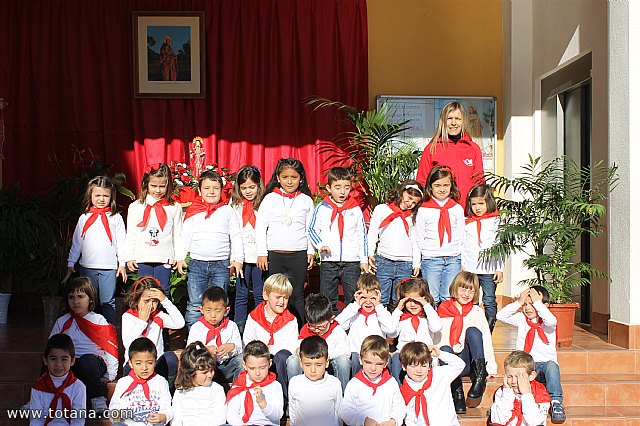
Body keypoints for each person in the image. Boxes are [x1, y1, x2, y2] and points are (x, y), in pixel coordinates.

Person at [176, 169, 244, 326]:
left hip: (221, 265)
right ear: (199, 190)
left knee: (218, 303)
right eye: (206, 188)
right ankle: (194, 341)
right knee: (195, 304)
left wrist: (238, 259)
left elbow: (235, 236)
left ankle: (217, 335)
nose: (211, 192)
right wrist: (180, 257)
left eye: (215, 188)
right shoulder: (194, 211)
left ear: (221, 190)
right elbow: (185, 236)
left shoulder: (227, 211)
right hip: (197, 264)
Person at [255, 158, 315, 324]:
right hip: (274, 255)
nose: (289, 181)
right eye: (285, 177)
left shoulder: (306, 200)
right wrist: (262, 253)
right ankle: (274, 328)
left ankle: (299, 331)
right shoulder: (270, 199)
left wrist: (311, 251)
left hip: (298, 254)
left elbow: (311, 228)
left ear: (301, 178)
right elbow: (260, 227)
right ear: (278, 177)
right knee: (276, 294)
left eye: (294, 177)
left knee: (296, 295)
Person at [496, 286, 566, 422]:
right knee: (515, 371)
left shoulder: (548, 323)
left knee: (552, 366)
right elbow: (500, 315)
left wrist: (538, 304)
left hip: (544, 368)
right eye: (525, 304)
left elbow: (552, 320)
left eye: (532, 304)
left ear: (542, 306)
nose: (527, 308)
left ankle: (556, 403)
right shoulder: (521, 319)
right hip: (527, 367)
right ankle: (506, 403)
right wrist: (518, 302)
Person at [64, 176, 126, 324]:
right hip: (87, 267)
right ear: (90, 196)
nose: (101, 199)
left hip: (108, 268)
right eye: (97, 195)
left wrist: (122, 263)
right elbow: (77, 243)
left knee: (107, 302)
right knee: (89, 302)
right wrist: (71, 263)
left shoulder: (115, 217)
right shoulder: (84, 218)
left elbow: (122, 242)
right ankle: (89, 332)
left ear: (111, 197)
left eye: (105, 195)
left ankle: (109, 332)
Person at [49, 277, 118, 414]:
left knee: (87, 361)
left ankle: (97, 398)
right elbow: (52, 345)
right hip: (69, 362)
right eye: (71, 297)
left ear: (90, 299)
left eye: (80, 297)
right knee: (51, 359)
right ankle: (40, 396)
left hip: (93, 363)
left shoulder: (99, 319)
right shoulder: (62, 321)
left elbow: (110, 348)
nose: (76, 301)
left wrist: (111, 373)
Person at [434, 271, 497, 414]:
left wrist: (491, 366)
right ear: (455, 288)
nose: (466, 294)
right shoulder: (443, 309)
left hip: (468, 361)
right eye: (463, 289)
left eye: (471, 290)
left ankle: (480, 377)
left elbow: (486, 339)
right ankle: (458, 394)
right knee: (444, 348)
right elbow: (437, 340)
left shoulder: (476, 311)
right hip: (450, 362)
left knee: (473, 331)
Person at [309, 166, 368, 313]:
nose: (342, 192)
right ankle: (330, 327)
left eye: (346, 187)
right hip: (329, 260)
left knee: (353, 297)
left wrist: (364, 259)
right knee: (328, 298)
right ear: (329, 188)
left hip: (351, 261)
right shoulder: (322, 208)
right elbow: (311, 229)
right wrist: (320, 245)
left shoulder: (355, 209)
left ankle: (351, 328)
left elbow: (362, 235)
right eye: (337, 187)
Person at [124, 163, 182, 293]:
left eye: (162, 186)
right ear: (146, 184)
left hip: (165, 256)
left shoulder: (174, 207)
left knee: (163, 290)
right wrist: (129, 256)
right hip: (143, 256)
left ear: (168, 185)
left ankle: (161, 314)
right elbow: (131, 233)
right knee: (144, 291)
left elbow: (177, 234)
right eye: (154, 186)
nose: (158, 190)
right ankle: (144, 314)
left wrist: (178, 257)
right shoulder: (136, 206)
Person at [415, 101, 484, 207]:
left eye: (457, 119)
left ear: (463, 122)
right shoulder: (431, 148)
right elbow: (422, 182)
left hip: (467, 213)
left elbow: (479, 183)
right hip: (440, 213)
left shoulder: (473, 149)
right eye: (449, 118)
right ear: (443, 121)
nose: (453, 123)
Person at [242, 273, 298, 402]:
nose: (282, 302)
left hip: (280, 360)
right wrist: (262, 351)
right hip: (259, 359)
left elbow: (291, 345)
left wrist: (270, 348)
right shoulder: (254, 317)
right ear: (265, 295)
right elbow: (248, 341)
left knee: (283, 356)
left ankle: (283, 401)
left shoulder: (290, 320)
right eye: (278, 297)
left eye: (285, 298)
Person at [367, 180, 424, 307]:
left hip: (405, 263)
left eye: (414, 202)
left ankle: (396, 325)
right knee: (382, 298)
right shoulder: (382, 209)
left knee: (399, 299)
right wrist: (370, 253)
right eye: (409, 198)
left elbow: (415, 241)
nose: (410, 204)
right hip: (385, 261)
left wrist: (416, 263)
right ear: (402, 191)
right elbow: (372, 233)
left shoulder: (413, 217)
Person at [416, 165, 465, 304]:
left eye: (446, 185)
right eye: (437, 185)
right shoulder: (424, 210)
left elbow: (462, 235)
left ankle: (446, 325)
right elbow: (419, 236)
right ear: (430, 187)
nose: (442, 189)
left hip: (453, 259)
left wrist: (461, 258)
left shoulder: (456, 208)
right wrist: (423, 256)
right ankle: (433, 325)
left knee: (448, 297)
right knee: (432, 297)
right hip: (431, 259)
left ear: (451, 186)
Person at [121, 276, 185, 380]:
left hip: (155, 363)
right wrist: (141, 321)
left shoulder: (158, 316)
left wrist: (165, 300)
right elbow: (129, 344)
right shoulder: (128, 317)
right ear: (136, 300)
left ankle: (167, 389)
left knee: (170, 358)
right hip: (135, 364)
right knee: (130, 368)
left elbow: (179, 323)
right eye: (146, 301)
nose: (151, 306)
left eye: (155, 301)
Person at [286, 293, 351, 391]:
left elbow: (345, 351)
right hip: (311, 363)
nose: (316, 330)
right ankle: (295, 395)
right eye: (312, 326)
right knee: (292, 361)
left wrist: (325, 356)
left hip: (329, 364)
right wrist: (298, 350)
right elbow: (297, 346)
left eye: (321, 327)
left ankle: (342, 396)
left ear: (331, 320)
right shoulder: (306, 330)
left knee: (343, 361)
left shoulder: (337, 330)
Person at [230, 165, 266, 333]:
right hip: (241, 258)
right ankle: (239, 329)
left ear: (259, 185)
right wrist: (235, 257)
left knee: (259, 294)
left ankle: (259, 327)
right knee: (241, 294)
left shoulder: (264, 205)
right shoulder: (235, 205)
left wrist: (263, 254)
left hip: (259, 257)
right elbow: (232, 232)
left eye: (252, 187)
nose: (248, 191)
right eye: (244, 188)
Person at [339, 335, 406, 426]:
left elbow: (399, 406)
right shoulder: (355, 384)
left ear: (386, 363)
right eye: (368, 362)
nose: (373, 368)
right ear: (360, 360)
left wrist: (393, 421)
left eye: (379, 364)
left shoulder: (391, 383)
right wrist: (363, 421)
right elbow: (345, 411)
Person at [336, 273, 395, 375]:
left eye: (372, 298)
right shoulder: (354, 313)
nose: (368, 302)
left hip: (376, 357)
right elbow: (337, 326)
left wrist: (379, 306)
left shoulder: (381, 313)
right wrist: (355, 305)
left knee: (387, 357)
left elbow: (392, 331)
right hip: (357, 357)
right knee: (353, 358)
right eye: (363, 298)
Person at [463, 183, 503, 331]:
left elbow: (499, 247)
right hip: (471, 267)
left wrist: (499, 268)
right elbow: (463, 244)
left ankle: (488, 331)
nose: (477, 207)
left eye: (481, 203)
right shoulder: (467, 221)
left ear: (489, 202)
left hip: (489, 268)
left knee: (489, 300)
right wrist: (463, 265)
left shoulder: (496, 221)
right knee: (470, 299)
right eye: (473, 204)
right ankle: (471, 329)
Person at [109, 337, 173, 425]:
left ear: (155, 362)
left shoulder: (160, 382)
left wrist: (163, 416)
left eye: (149, 363)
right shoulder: (123, 383)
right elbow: (114, 406)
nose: (144, 368)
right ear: (130, 363)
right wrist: (116, 415)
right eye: (138, 363)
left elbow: (167, 407)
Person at [186, 286, 243, 385]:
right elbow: (190, 350)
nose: (213, 315)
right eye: (208, 310)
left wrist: (232, 347)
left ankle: (237, 389)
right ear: (201, 309)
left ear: (226, 310)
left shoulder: (231, 326)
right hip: (206, 369)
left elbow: (240, 348)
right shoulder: (197, 327)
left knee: (241, 360)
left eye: (218, 311)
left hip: (226, 366)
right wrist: (205, 350)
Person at [398, 341, 465, 426]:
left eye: (423, 365)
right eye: (414, 366)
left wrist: (440, 354)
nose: (419, 371)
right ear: (404, 366)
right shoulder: (404, 391)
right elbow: (410, 418)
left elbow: (460, 365)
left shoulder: (439, 375)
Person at [389, 278, 442, 384]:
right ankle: (398, 390)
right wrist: (398, 309)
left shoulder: (427, 317)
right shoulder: (402, 318)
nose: (412, 304)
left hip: (424, 354)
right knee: (395, 359)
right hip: (405, 354)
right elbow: (391, 331)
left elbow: (436, 327)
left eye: (416, 300)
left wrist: (426, 305)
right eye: (408, 301)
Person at [29, 334, 86, 426]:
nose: (58, 364)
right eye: (53, 359)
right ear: (45, 360)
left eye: (64, 359)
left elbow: (78, 420)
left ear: (72, 361)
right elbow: (36, 420)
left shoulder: (78, 387)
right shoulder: (38, 388)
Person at [226, 340, 284, 426]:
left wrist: (262, 402)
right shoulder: (239, 385)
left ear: (269, 363)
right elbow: (232, 415)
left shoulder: (275, 386)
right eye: (252, 368)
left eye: (262, 367)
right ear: (244, 365)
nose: (257, 373)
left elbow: (277, 416)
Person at [288, 336, 343, 426]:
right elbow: (293, 413)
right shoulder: (295, 383)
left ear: (327, 362)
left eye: (318, 365)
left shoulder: (334, 383)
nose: (313, 370)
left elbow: (339, 413)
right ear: (300, 362)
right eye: (308, 365)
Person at [171, 342, 227, 426]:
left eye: (211, 370)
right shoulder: (181, 391)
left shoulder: (216, 389)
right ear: (190, 373)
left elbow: (220, 417)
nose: (210, 375)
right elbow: (176, 417)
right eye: (204, 372)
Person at [490, 350, 551, 426]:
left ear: (531, 376)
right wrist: (507, 393)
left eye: (519, 377)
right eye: (509, 376)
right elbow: (498, 420)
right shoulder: (502, 392)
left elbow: (535, 422)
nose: (513, 381)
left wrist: (526, 394)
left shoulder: (540, 392)